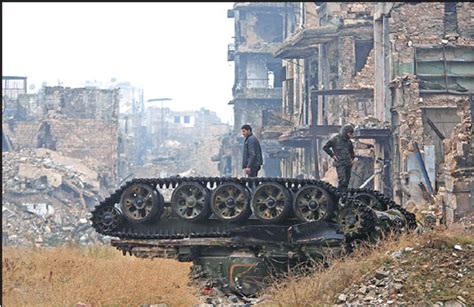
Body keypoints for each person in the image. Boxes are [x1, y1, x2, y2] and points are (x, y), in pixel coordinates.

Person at [322, 124, 355, 192]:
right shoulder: (335, 139)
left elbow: (351, 152)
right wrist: (332, 155)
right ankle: (338, 195)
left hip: (348, 164)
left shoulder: (349, 142)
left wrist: (352, 159)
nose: (351, 135)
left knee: (346, 182)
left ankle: (343, 196)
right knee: (342, 180)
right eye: (349, 134)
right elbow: (325, 147)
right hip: (340, 163)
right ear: (346, 132)